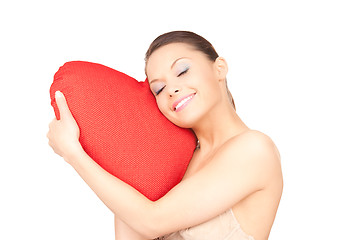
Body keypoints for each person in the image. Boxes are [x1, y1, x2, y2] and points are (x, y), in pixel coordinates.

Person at [47, 31, 283, 240]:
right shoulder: (173, 160)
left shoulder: (254, 149)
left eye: (182, 70)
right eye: (158, 88)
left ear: (219, 68)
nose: (171, 89)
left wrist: (73, 153)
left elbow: (152, 222)